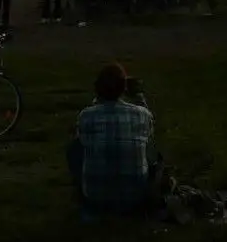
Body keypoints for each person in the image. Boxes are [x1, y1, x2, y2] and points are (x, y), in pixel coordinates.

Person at [66, 63, 166, 218]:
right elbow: (149, 138)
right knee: (153, 154)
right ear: (124, 88)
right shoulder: (142, 114)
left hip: (95, 199)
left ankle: (84, 191)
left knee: (75, 148)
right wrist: (138, 96)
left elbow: (81, 144)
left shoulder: (86, 115)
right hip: (135, 199)